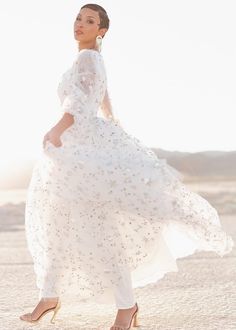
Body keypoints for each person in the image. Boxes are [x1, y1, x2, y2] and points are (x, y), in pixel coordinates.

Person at [19, 3, 234, 330]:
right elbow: (102, 98)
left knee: (92, 229)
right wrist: (112, 126)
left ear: (101, 31)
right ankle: (51, 295)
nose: (80, 24)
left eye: (89, 21)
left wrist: (56, 130)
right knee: (57, 224)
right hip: (79, 149)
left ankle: (124, 306)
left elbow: (79, 104)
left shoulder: (87, 58)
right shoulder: (92, 60)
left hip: (76, 150)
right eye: (78, 18)